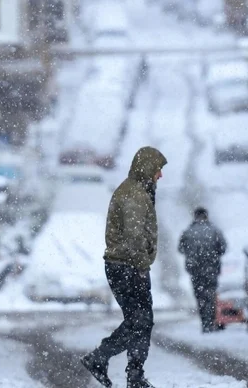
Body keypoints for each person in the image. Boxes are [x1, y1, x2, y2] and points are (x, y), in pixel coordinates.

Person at [81, 146, 167, 388]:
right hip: (127, 267)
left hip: (126, 265)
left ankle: (124, 370)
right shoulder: (134, 195)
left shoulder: (136, 191)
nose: (160, 175)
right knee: (140, 320)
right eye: (158, 169)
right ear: (148, 168)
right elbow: (134, 237)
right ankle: (117, 366)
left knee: (139, 320)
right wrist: (141, 267)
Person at [178, 207, 227, 333]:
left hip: (195, 270)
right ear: (206, 216)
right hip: (211, 269)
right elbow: (223, 248)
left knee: (200, 296)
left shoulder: (188, 232)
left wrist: (193, 255)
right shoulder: (214, 230)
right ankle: (211, 322)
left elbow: (180, 249)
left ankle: (205, 323)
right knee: (211, 295)